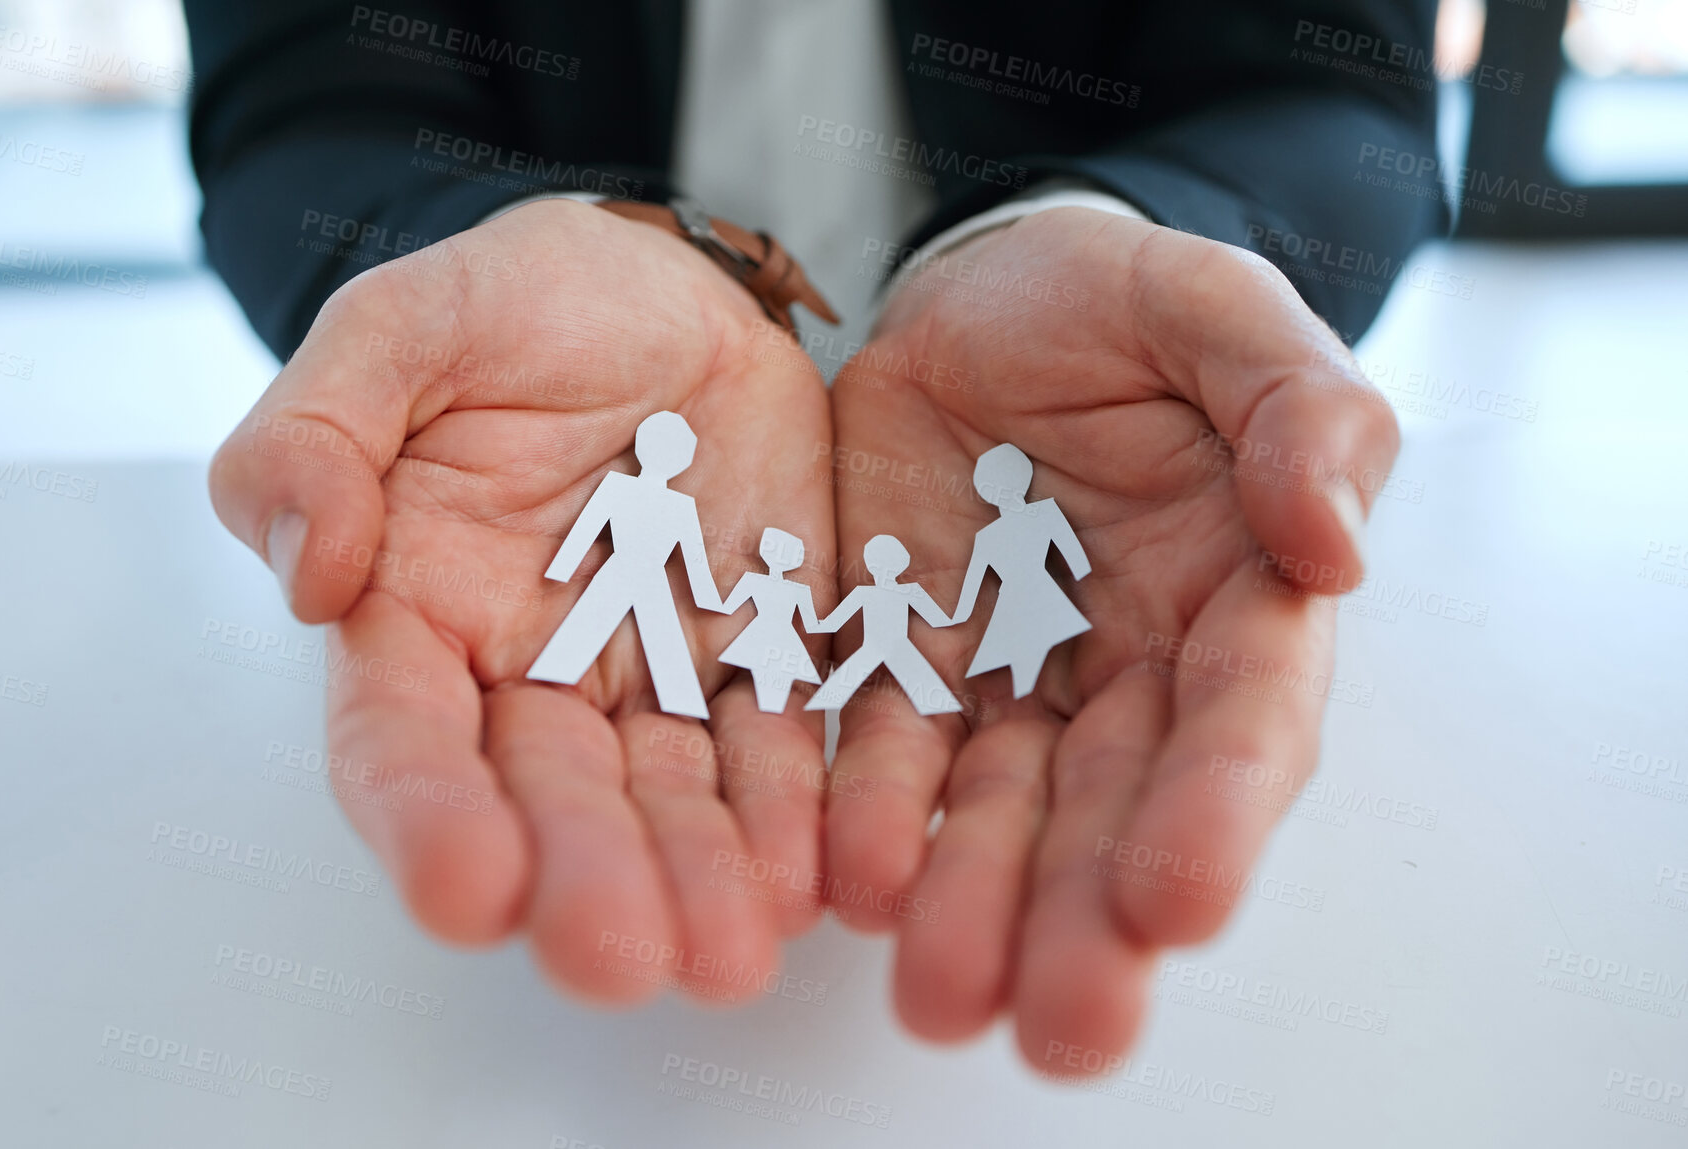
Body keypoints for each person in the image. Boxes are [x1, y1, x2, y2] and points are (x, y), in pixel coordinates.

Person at [191, 0, 1430, 1071]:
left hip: (1061, 413)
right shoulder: (640, 490)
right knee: (700, 659)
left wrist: (1135, 233)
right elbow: (310, 106)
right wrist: (464, 262)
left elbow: (1319, 92)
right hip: (552, 433)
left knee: (956, 653)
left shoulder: (970, 531)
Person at [528, 410, 723, 720]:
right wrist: (561, 568)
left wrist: (710, 600)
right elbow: (695, 563)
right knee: (651, 633)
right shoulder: (634, 491)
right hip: (629, 572)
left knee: (656, 633)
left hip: (630, 573)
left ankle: (681, 701)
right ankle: (556, 670)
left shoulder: (665, 501)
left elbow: (694, 558)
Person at [951, 443, 1092, 699]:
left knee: (1028, 659)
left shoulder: (1038, 515)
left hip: (1028, 600)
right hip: (1025, 601)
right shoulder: (1002, 531)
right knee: (1027, 659)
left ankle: (1034, 695)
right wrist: (952, 618)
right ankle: (1033, 695)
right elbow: (1079, 564)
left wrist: (954, 618)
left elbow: (1078, 562)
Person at [806, 534, 961, 717]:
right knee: (932, 696)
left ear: (870, 564)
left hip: (888, 648)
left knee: (932, 695)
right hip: (883, 648)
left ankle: (938, 708)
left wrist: (809, 617)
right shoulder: (900, 592)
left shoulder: (885, 592)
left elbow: (831, 624)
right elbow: (940, 620)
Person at [716, 527, 823, 714]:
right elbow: (813, 625)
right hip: (780, 639)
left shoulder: (790, 588)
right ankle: (770, 708)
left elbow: (725, 607)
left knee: (774, 678)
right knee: (771, 678)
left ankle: (770, 708)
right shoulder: (794, 589)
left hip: (768, 636)